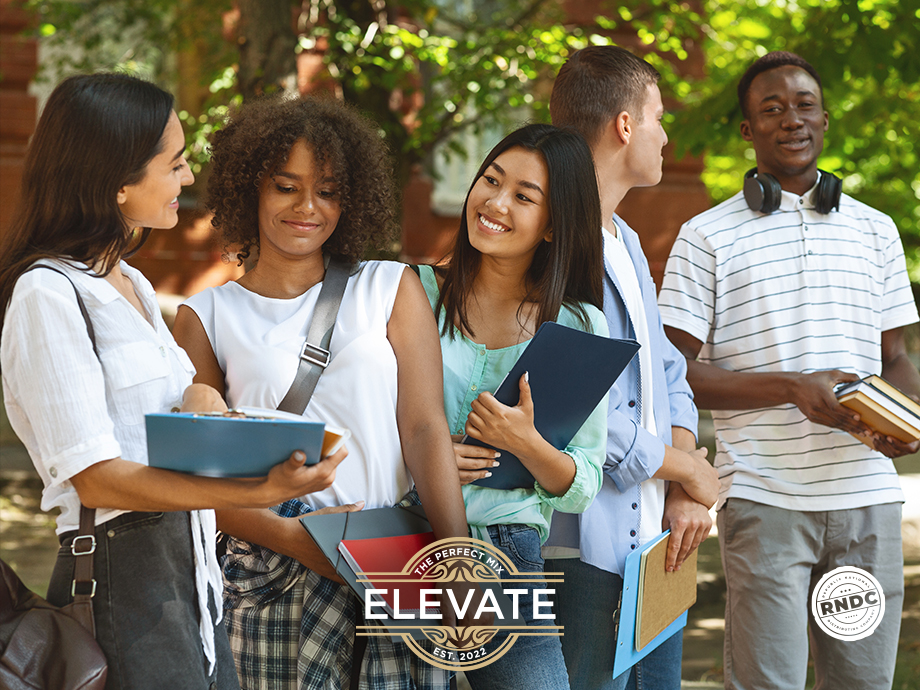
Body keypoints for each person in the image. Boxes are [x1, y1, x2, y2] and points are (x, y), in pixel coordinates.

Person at [0, 73, 346, 690]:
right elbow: (95, 474)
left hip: (192, 569)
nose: (188, 179)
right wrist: (253, 489)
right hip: (121, 578)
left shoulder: (127, 281)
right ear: (117, 182)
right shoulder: (47, 294)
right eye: (176, 163)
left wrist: (205, 400)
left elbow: (173, 398)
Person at [171, 96, 471, 690]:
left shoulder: (390, 285)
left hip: (393, 552)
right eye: (286, 187)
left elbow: (424, 428)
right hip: (269, 568)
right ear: (249, 189)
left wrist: (456, 552)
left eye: (329, 191)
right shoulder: (204, 316)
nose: (308, 208)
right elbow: (193, 480)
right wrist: (296, 538)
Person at [658, 51, 920, 690]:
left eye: (803, 105)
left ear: (825, 118)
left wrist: (907, 419)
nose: (791, 120)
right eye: (770, 109)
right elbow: (670, 372)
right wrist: (792, 389)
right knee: (768, 683)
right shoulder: (705, 235)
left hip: (867, 507)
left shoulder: (877, 231)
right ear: (747, 131)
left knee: (861, 684)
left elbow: (897, 358)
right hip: (764, 500)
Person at [540, 45, 721, 690]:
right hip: (586, 546)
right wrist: (687, 467)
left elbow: (669, 372)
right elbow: (578, 415)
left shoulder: (630, 241)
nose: (665, 137)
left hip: (658, 541)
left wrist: (683, 488)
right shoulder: (555, 241)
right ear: (624, 125)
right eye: (658, 118)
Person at [418, 123, 608, 690]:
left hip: (508, 550)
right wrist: (427, 459)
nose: (495, 203)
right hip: (408, 536)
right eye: (490, 180)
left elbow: (585, 480)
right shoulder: (415, 292)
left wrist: (524, 441)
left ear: (553, 226)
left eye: (524, 197)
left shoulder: (576, 325)